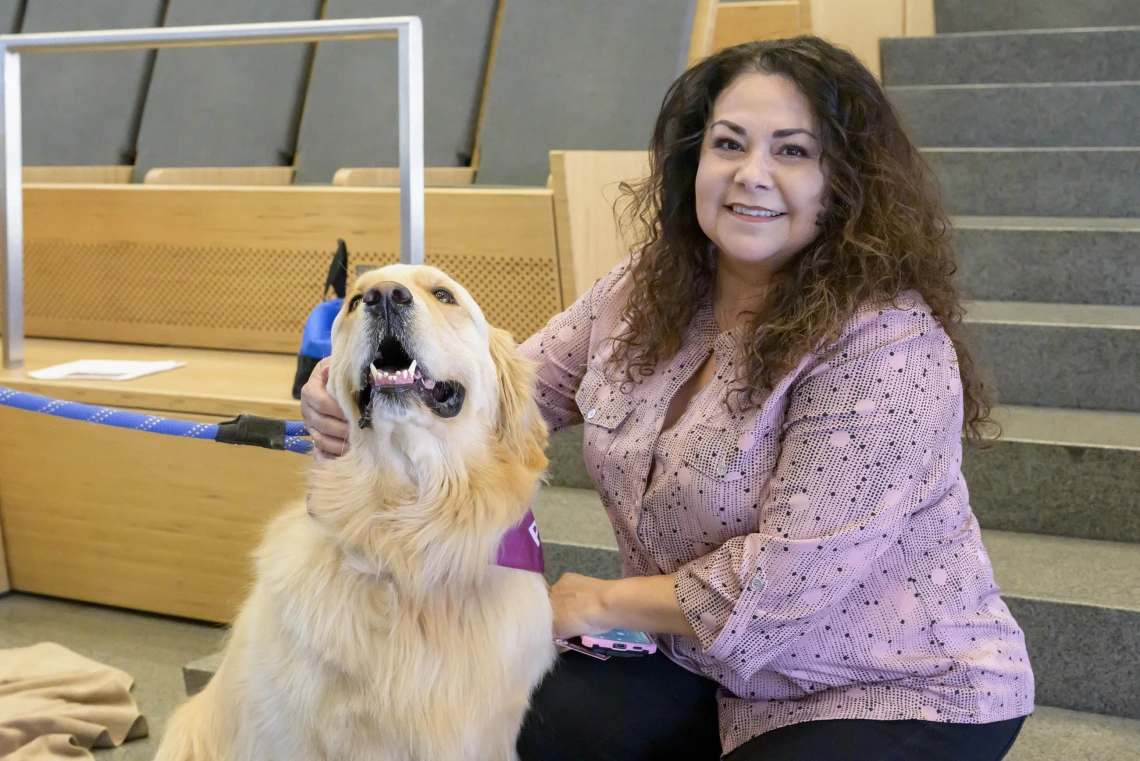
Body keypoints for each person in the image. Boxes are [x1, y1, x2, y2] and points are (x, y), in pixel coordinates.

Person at [301, 36, 1033, 761]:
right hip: (695, 658)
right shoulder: (647, 285)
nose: (751, 174)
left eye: (792, 151)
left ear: (845, 182)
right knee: (507, 721)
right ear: (694, 160)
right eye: (729, 143)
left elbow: (786, 582)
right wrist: (365, 383)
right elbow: (504, 394)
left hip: (889, 682)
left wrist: (599, 600)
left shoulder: (888, 342)